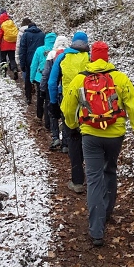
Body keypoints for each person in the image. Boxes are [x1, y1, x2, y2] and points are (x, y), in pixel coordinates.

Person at [61, 41, 134, 247]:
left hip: (90, 135)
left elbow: (68, 106)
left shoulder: (81, 79)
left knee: (93, 177)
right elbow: (133, 106)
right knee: (110, 171)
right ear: (107, 57)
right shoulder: (120, 78)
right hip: (115, 135)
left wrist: (72, 126)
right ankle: (107, 213)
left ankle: (96, 230)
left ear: (91, 57)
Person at [48, 31, 90, 192]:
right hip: (89, 107)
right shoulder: (90, 58)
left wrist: (53, 103)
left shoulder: (62, 57)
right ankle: (91, 177)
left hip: (68, 105)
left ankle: (77, 181)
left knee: (73, 140)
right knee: (88, 139)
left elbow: (52, 82)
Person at [40, 35, 69, 151]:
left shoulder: (51, 54)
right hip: (65, 90)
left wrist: (42, 88)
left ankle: (55, 138)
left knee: (53, 113)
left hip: (52, 89)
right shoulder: (69, 55)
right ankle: (65, 143)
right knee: (65, 116)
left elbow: (46, 73)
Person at [30, 32, 57, 127]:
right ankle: (49, 121)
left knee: (40, 98)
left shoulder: (40, 49)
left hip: (39, 77)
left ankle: (39, 116)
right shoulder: (58, 52)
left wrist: (32, 78)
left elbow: (34, 65)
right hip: (54, 79)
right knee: (50, 99)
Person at [18, 20, 45, 105]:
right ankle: (40, 97)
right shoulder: (42, 35)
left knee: (28, 79)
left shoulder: (25, 35)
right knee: (39, 77)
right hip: (40, 60)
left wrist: (22, 64)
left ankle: (28, 97)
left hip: (28, 60)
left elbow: (22, 50)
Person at [0, 10, 19, 80]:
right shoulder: (12, 23)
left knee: (3, 59)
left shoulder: (2, 25)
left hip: (4, 45)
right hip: (12, 45)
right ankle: (14, 70)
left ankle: (3, 72)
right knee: (12, 59)